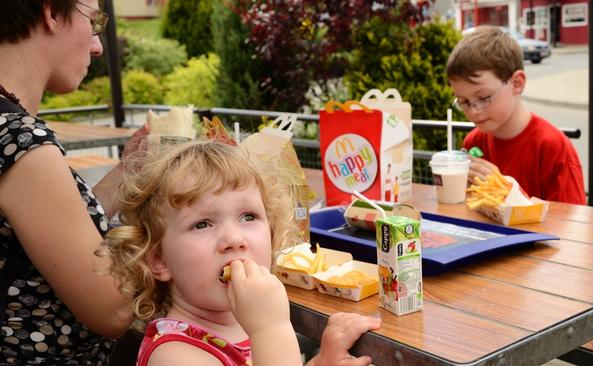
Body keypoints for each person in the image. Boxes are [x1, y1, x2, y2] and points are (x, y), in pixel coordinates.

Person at [98, 141, 381, 366]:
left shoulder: (245, 323)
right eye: (202, 224)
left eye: (248, 216)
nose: (234, 239)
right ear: (159, 260)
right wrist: (272, 329)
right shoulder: (175, 354)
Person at [0, 0, 149, 364]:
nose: (97, 46)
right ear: (51, 12)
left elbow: (53, 239)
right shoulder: (18, 138)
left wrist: (129, 171)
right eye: (94, 21)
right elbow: (112, 311)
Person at [445, 25, 586, 204]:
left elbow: (572, 225)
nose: (473, 110)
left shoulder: (553, 148)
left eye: (483, 97)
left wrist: (509, 195)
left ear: (517, 83)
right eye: (464, 102)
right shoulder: (474, 142)